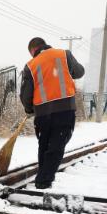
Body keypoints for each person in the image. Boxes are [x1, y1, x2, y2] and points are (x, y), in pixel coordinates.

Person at [20, 37, 85, 189]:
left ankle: (43, 177)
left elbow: (25, 95)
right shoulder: (64, 54)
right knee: (56, 145)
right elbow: (79, 72)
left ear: (32, 50)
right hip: (64, 110)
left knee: (44, 144)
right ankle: (43, 180)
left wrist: (29, 109)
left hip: (42, 114)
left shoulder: (30, 65)